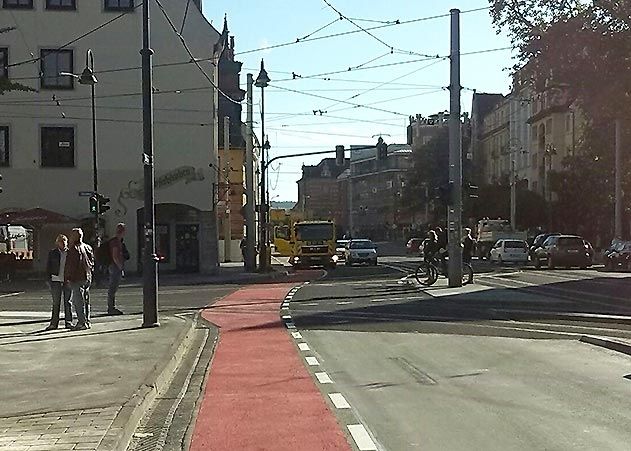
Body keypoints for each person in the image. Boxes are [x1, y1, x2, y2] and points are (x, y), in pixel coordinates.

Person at [65, 228, 94, 331]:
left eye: (72, 236)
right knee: (86, 300)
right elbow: (92, 262)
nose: (70, 238)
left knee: (78, 301)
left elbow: (71, 265)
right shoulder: (88, 247)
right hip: (87, 276)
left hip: (77, 277)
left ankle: (81, 322)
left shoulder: (74, 249)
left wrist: (68, 277)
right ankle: (87, 321)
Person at [45, 234, 73, 330]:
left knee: (68, 302)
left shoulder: (70, 253)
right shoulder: (53, 253)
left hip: (67, 280)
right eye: (61, 241)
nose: (63, 243)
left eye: (64, 241)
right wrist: (48, 280)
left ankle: (68, 322)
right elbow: (48, 267)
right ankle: (54, 323)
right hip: (55, 279)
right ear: (57, 243)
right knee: (56, 302)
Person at [107, 223, 127, 316]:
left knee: (113, 288)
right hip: (114, 267)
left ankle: (111, 307)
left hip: (114, 266)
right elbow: (115, 256)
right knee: (112, 288)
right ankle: (111, 308)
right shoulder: (115, 242)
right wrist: (120, 267)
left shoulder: (118, 241)